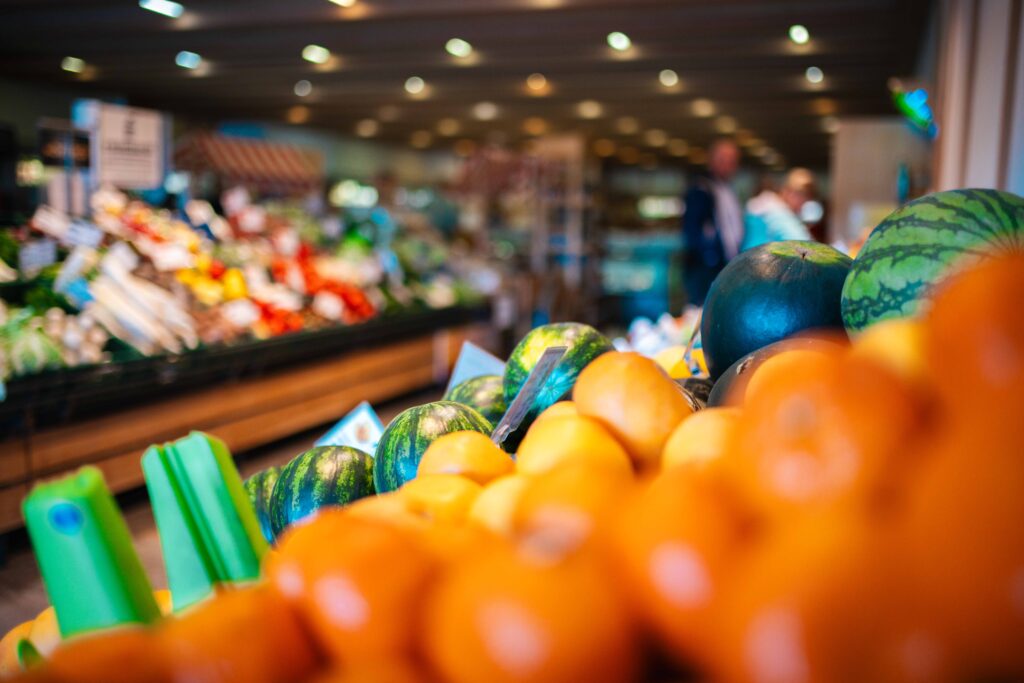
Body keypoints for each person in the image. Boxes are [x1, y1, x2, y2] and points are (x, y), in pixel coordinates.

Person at [681, 139, 743, 305]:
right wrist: (709, 255)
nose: (727, 165)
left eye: (732, 161)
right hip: (706, 267)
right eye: (723, 160)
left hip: (726, 263)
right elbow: (692, 230)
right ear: (712, 160)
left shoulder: (728, 190)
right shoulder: (701, 188)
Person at [742, 168, 815, 251]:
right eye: (802, 196)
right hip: (758, 261)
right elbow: (806, 247)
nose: (803, 203)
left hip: (748, 259)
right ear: (789, 192)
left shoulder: (764, 205)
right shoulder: (775, 211)